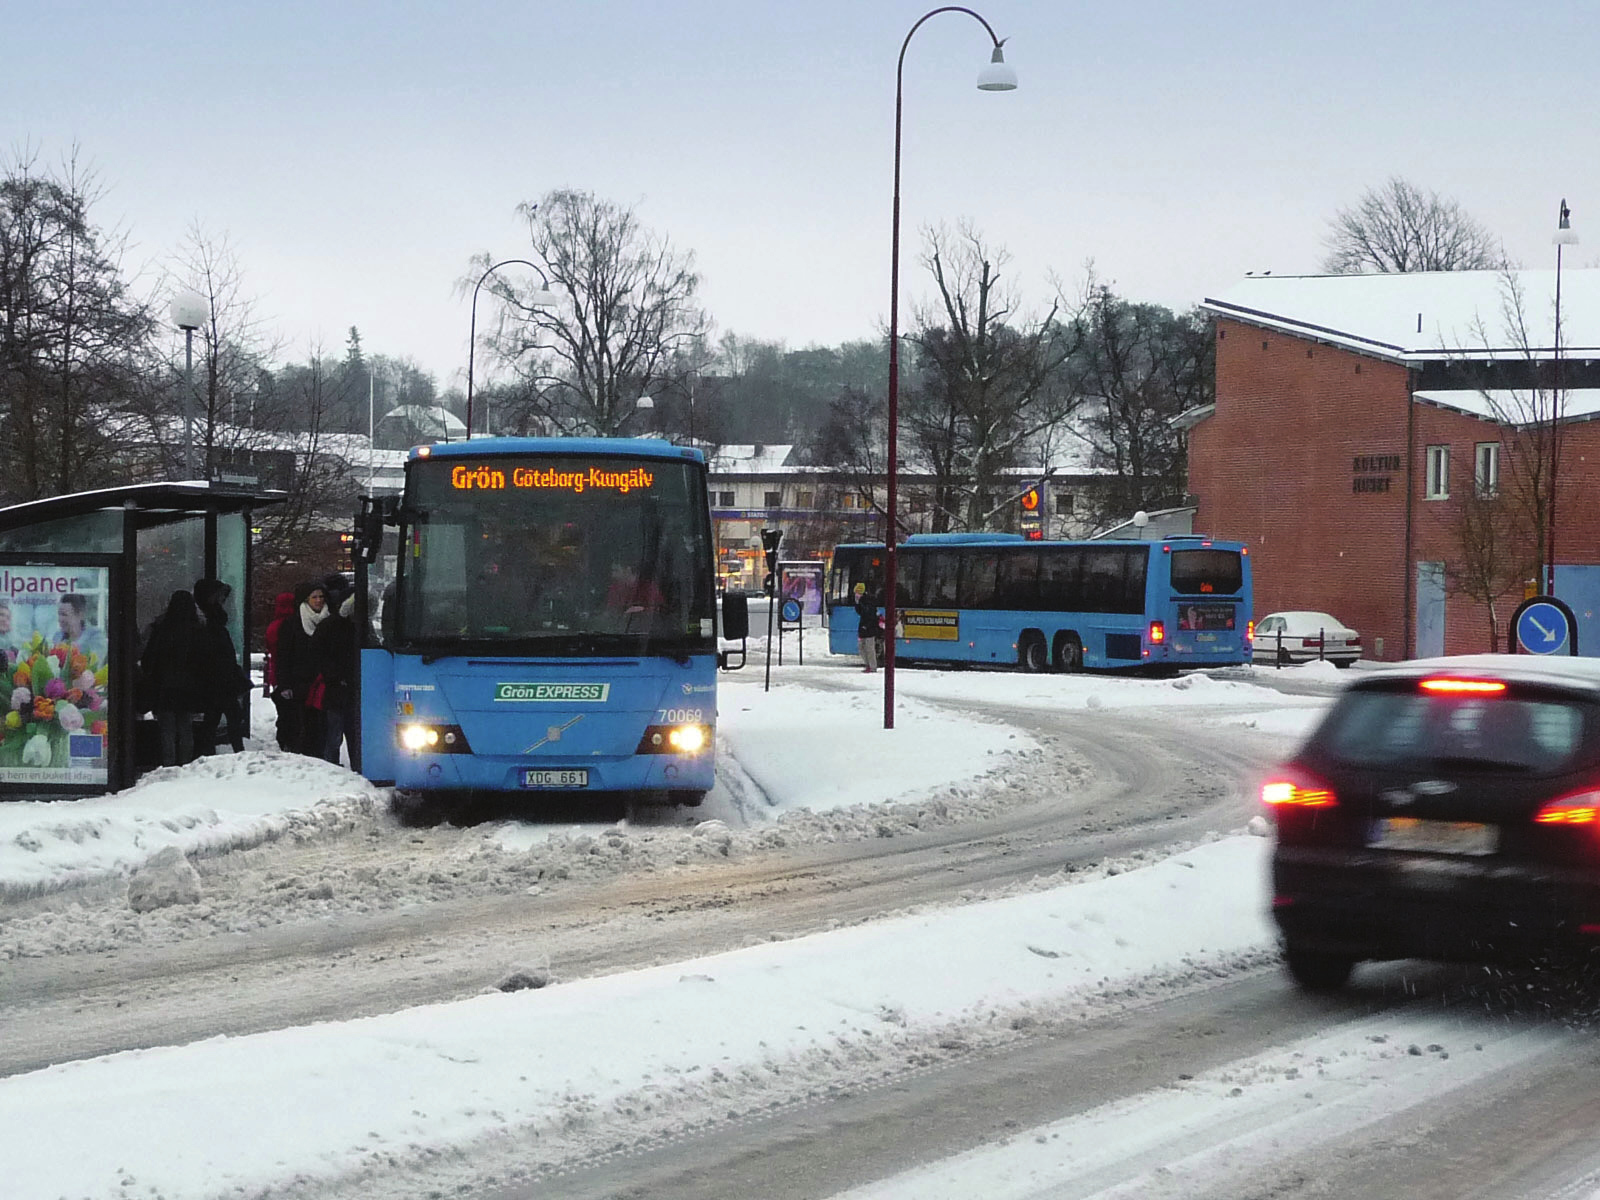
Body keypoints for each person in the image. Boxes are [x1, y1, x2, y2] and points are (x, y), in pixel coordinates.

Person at [140, 590, 207, 767]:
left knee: (167, 729)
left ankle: (169, 764)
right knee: (185, 727)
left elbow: (149, 658)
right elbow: (203, 660)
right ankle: (185, 764)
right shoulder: (197, 630)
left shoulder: (161, 628)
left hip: (164, 686)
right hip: (188, 687)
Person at [193, 578, 251, 754]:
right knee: (226, 716)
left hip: (219, 679)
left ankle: (213, 752)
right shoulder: (207, 623)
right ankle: (234, 752)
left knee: (217, 717)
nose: (222, 602)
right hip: (218, 679)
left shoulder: (210, 620)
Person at [275, 580, 330, 756]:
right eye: (314, 597)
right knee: (300, 723)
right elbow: (282, 655)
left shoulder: (330, 620)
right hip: (299, 683)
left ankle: (318, 756)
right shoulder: (292, 624)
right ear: (306, 600)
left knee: (320, 724)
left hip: (323, 682)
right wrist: (284, 684)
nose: (319, 600)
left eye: (321, 597)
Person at [311, 591, 358, 766]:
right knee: (339, 733)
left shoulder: (330, 625)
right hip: (339, 688)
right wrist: (336, 676)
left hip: (339, 687)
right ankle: (348, 766)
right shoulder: (341, 627)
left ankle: (334, 767)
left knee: (337, 733)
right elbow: (319, 655)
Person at [262, 590, 297, 749]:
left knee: (283, 714)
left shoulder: (273, 626)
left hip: (276, 674)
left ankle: (284, 742)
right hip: (288, 674)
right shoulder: (293, 625)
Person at [604, 562, 665, 628]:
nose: (613, 575)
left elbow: (661, 612)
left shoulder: (650, 588)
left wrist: (642, 610)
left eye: (616, 571)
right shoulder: (614, 588)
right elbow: (610, 612)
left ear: (628, 569)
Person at [57, 593, 108, 662]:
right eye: (59, 614)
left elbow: (93, 664)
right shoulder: (57, 636)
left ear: (80, 615)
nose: (60, 619)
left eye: (64, 614)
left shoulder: (96, 637)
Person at [854, 582, 879, 674]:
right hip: (863, 629)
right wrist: (857, 604)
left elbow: (869, 615)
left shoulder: (868, 601)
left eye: (857, 593)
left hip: (869, 629)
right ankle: (868, 665)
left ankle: (872, 667)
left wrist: (866, 626)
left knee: (869, 648)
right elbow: (860, 612)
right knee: (861, 647)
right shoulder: (862, 601)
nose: (856, 595)